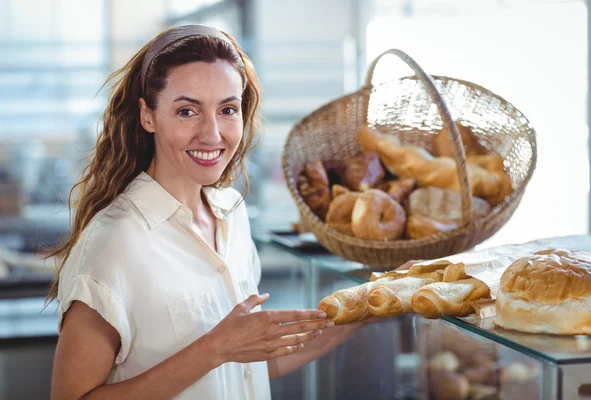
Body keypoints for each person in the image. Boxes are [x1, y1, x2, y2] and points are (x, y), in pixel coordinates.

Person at [48, 25, 373, 400]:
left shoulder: (231, 215)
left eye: (227, 109)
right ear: (148, 116)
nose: (213, 134)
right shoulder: (114, 241)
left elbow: (250, 366)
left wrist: (366, 309)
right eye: (187, 111)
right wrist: (215, 348)